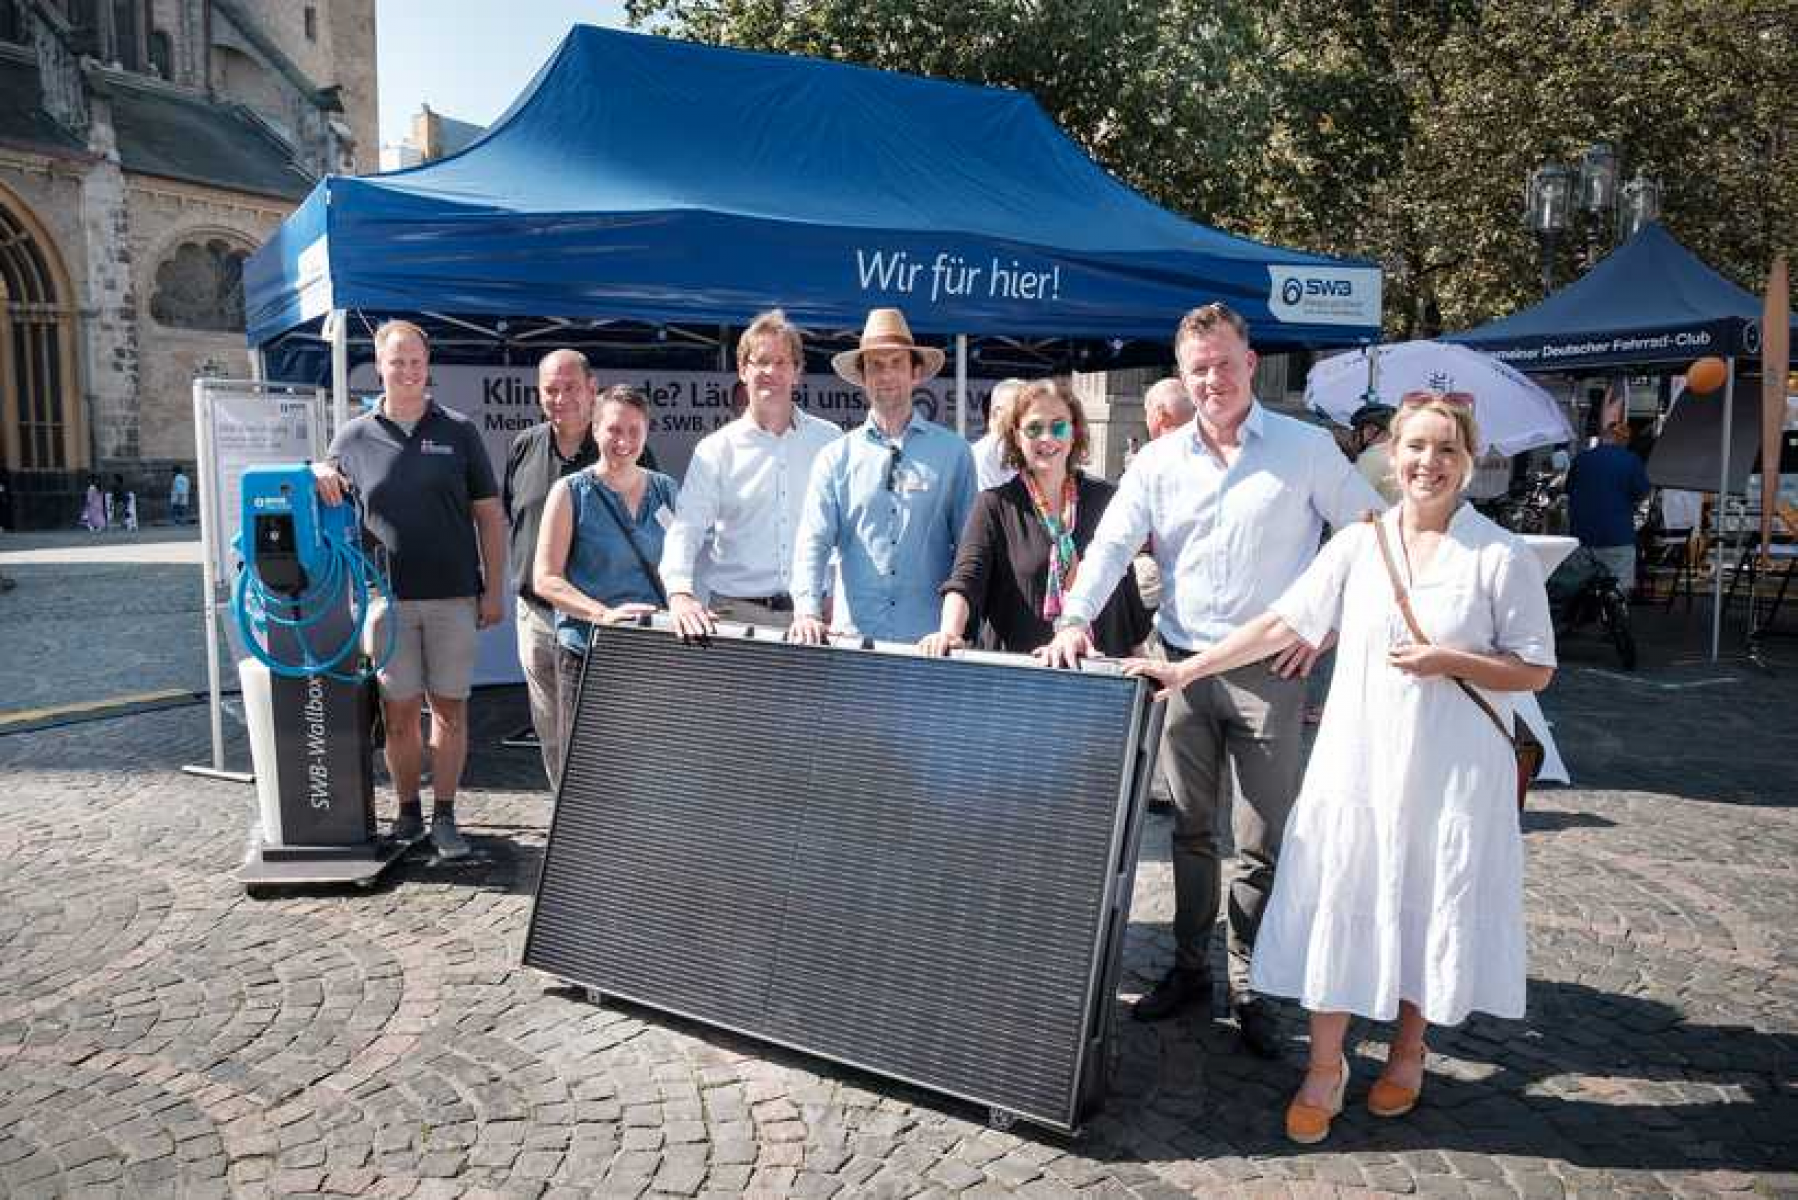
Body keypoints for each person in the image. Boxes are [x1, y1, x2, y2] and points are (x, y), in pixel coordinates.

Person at [1123, 391, 1555, 1143]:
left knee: (1430, 901)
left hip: (1452, 772)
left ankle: (1408, 1054)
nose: (1429, 463)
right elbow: (1281, 623)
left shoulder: (1498, 553)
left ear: (1470, 461)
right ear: (1391, 452)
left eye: (1447, 450)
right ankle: (1325, 1066)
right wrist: (1188, 672)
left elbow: (1535, 670)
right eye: (1416, 446)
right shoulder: (1359, 545)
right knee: (1343, 902)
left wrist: (1448, 659)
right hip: (1361, 767)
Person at [1039, 302, 1382, 1056]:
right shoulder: (1158, 461)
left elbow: (1373, 535)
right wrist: (1074, 622)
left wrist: (1325, 630)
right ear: (1182, 376)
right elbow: (1107, 546)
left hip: (1270, 673)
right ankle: (1192, 970)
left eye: (1224, 364)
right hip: (1181, 668)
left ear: (1250, 363)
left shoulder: (1305, 449)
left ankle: (1252, 982)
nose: (1212, 380)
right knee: (1192, 831)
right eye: (1197, 369)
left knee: (1263, 839)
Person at [312, 319, 506, 861]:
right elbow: (323, 478)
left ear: (428, 364)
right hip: (386, 601)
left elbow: (489, 517)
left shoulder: (459, 430)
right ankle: (407, 814)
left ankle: (445, 815)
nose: (407, 370)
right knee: (397, 713)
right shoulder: (353, 435)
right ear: (379, 365)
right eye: (396, 361)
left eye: (416, 361)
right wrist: (316, 469)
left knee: (450, 711)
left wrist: (493, 591)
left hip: (452, 596)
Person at [920, 378, 1149, 658]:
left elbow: (1126, 592)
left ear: (1074, 431)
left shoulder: (1107, 499)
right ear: (1016, 436)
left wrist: (1142, 662)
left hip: (1100, 673)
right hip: (1022, 681)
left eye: (1058, 426)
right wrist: (949, 632)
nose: (1046, 437)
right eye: (1034, 428)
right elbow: (966, 580)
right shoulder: (995, 506)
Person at [789, 309, 976, 645]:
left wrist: (954, 628)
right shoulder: (835, 457)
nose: (886, 374)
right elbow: (813, 541)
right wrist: (807, 611)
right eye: (875, 364)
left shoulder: (955, 453)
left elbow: (970, 552)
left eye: (896, 363)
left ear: (915, 372)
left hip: (930, 643)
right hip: (853, 641)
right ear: (862, 376)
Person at [663, 310, 841, 639]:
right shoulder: (715, 449)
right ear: (743, 370)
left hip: (816, 617)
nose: (770, 372)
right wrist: (680, 594)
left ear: (797, 372)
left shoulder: (829, 441)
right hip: (735, 615)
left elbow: (845, 531)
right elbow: (685, 529)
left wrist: (839, 600)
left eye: (781, 362)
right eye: (760, 361)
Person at [533, 386, 678, 744]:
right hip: (587, 651)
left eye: (634, 431)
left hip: (651, 653)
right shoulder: (570, 492)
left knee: (646, 763)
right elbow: (545, 579)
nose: (624, 441)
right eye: (614, 429)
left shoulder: (667, 491)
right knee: (586, 767)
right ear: (595, 429)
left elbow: (684, 563)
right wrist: (602, 615)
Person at [502, 348, 599, 788]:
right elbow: (512, 514)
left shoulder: (616, 443)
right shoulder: (524, 446)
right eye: (551, 390)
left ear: (592, 389)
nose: (561, 398)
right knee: (551, 731)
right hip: (537, 617)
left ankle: (605, 822)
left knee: (597, 730)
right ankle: (566, 825)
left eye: (571, 388)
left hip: (595, 618)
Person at [1566, 421, 1651, 592]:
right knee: (1617, 593)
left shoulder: (1582, 458)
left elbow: (1569, 489)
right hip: (1617, 536)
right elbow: (1642, 493)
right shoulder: (1631, 460)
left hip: (1581, 536)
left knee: (1579, 593)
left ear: (1603, 438)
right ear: (1625, 440)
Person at [970, 378, 1024, 491]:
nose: (1025, 417)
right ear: (995, 413)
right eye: (1017, 410)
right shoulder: (984, 454)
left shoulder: (1023, 449)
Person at [1348, 401, 1401, 506]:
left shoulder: (1372, 456)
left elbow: (1350, 499)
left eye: (1357, 430)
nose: (1353, 437)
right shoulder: (1401, 455)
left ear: (1371, 431)